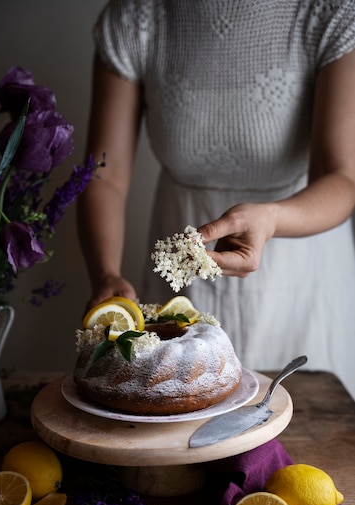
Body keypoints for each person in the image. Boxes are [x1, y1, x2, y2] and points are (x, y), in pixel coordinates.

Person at [77, 0, 355, 399]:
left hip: (301, 257)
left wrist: (273, 219)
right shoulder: (136, 18)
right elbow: (106, 175)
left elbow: (343, 177)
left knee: (302, 436)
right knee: (178, 417)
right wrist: (106, 273)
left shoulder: (329, 12)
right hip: (180, 264)